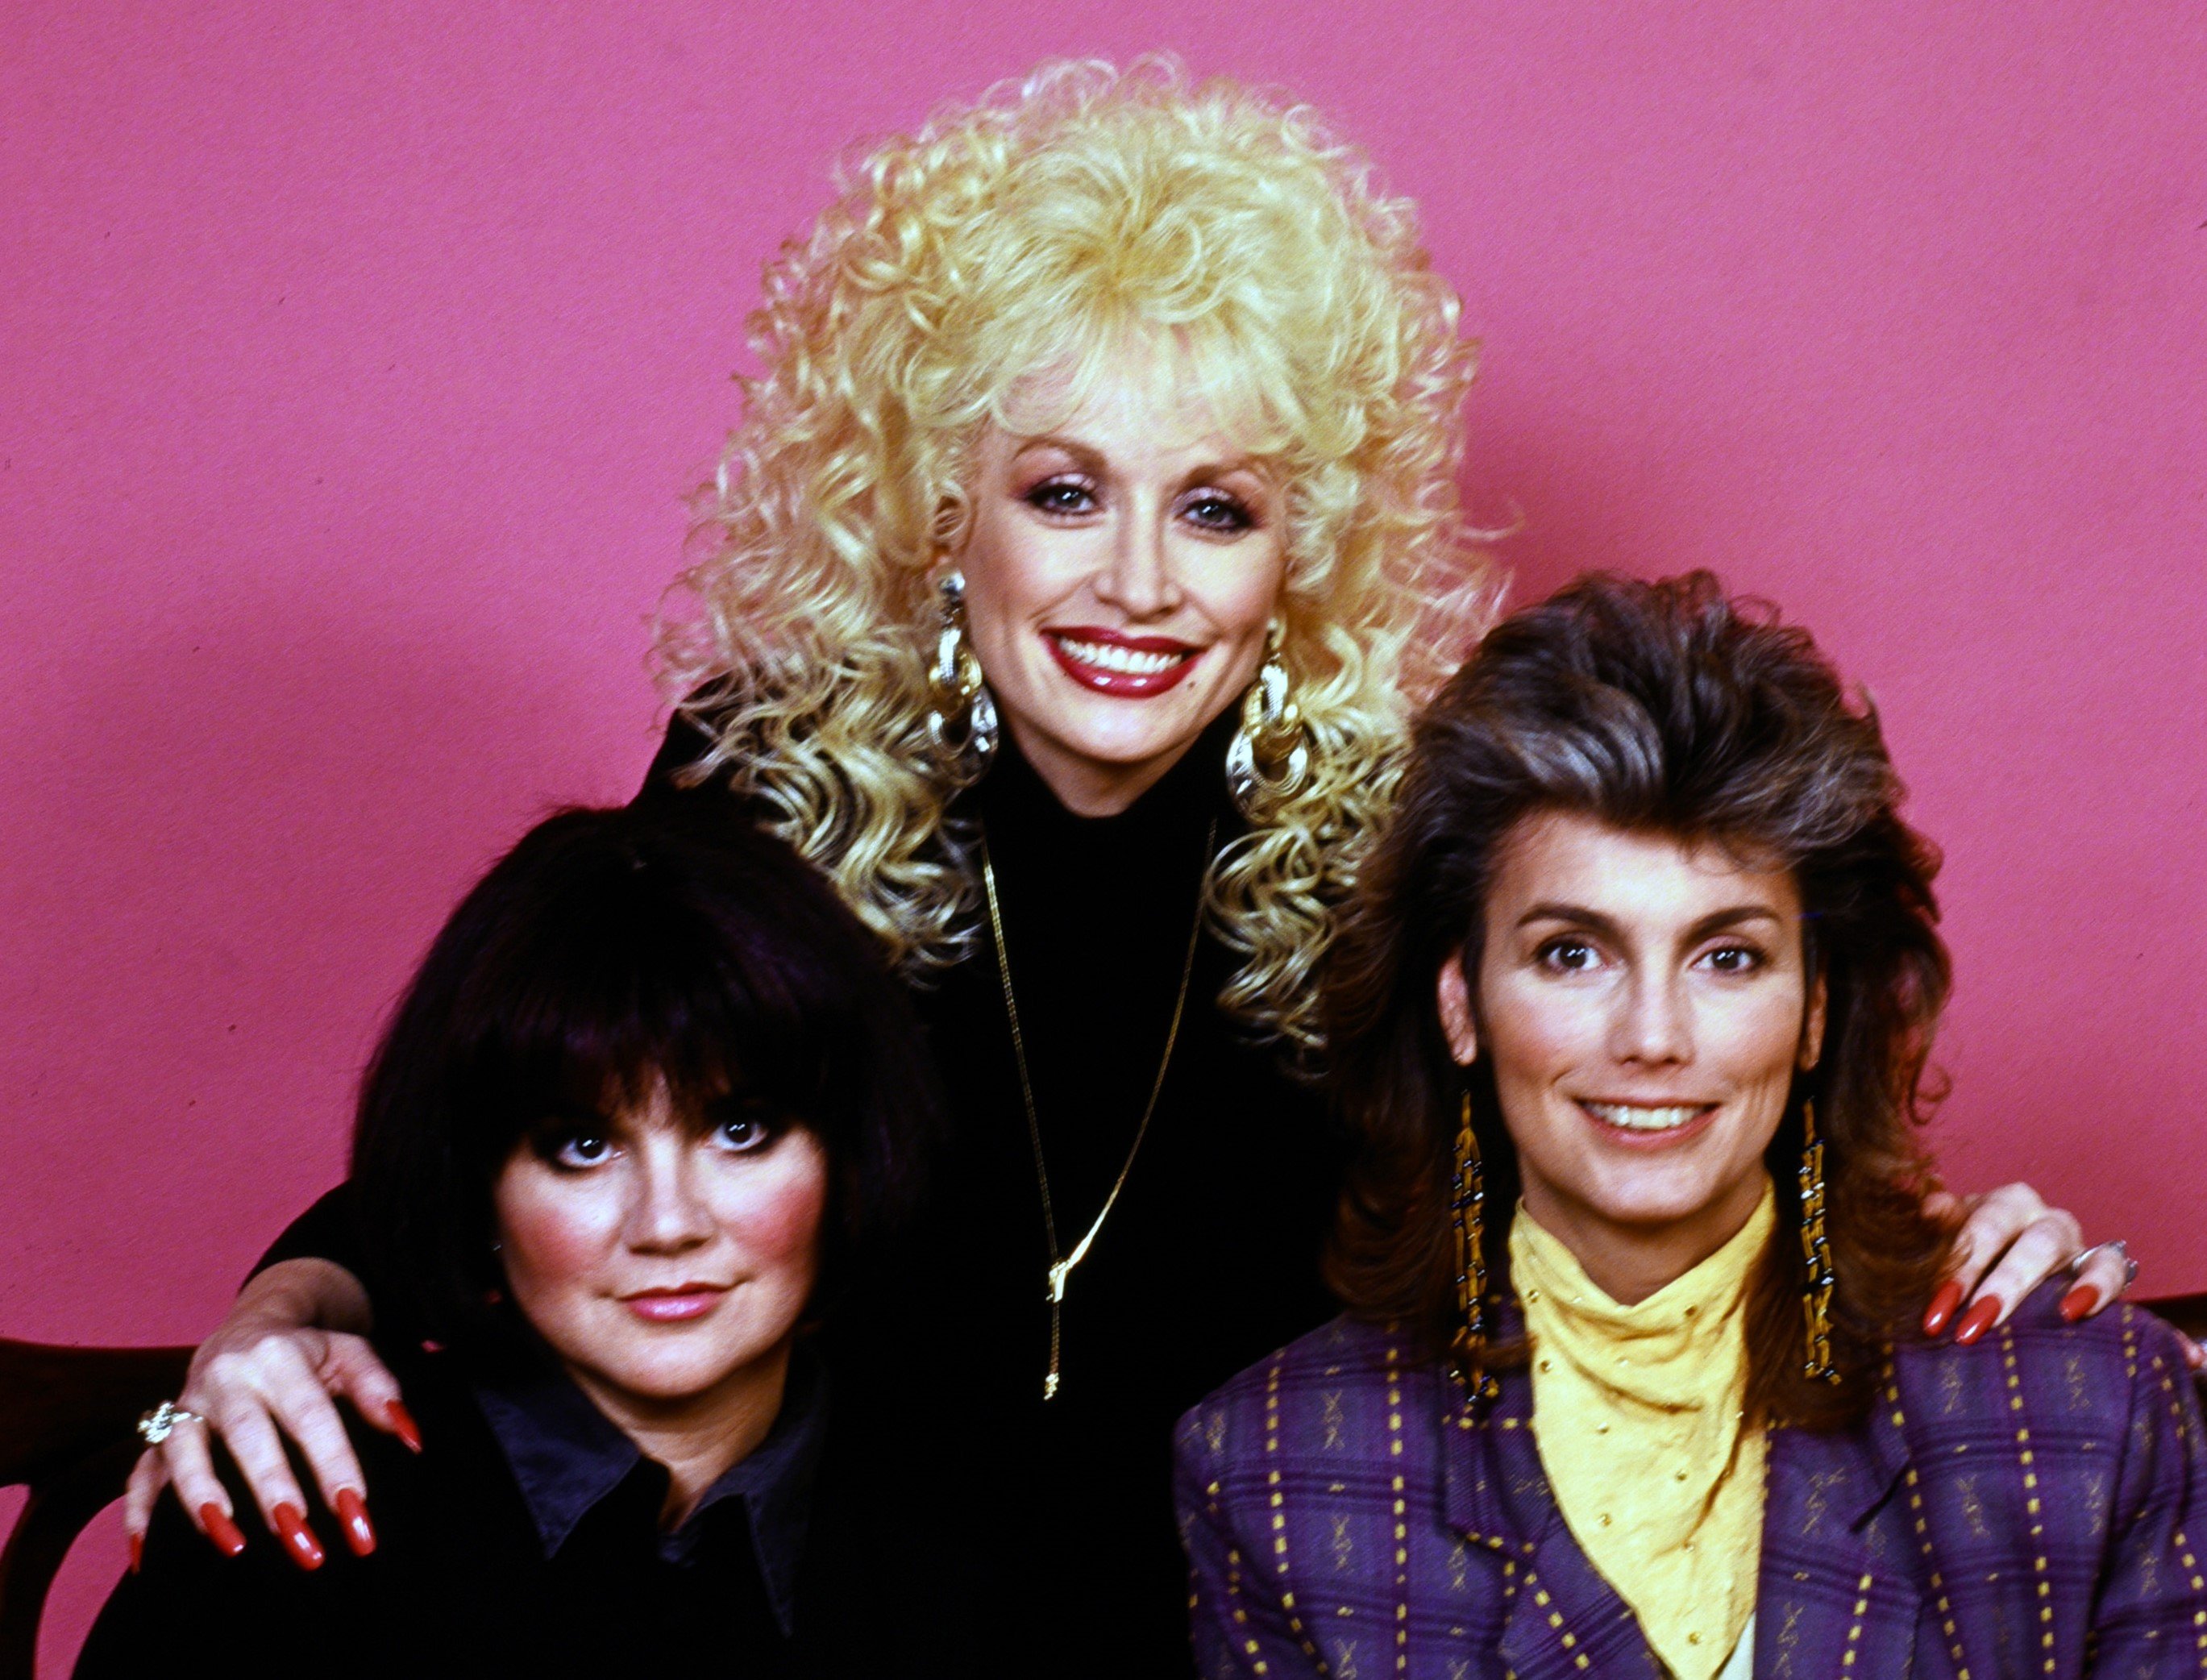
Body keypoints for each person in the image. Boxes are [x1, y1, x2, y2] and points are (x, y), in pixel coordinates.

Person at [127, 62, 2127, 1671]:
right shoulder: (766, 784)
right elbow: (550, 1121)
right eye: (1064, 492)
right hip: (852, 1618)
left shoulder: (1391, 838)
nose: (1142, 587)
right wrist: (278, 1312)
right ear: (942, 511)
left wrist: (1935, 1241)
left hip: (1288, 1611)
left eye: (1222, 508)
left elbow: (1635, 1118)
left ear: (1304, 551)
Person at [1176, 572, 2205, 1679]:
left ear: (1812, 1011)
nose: (1653, 1035)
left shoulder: (2085, 1413)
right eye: (1570, 952)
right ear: (1459, 1005)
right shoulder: (1278, 1473)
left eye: (1727, 957)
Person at [80, 804, 967, 1676]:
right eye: (582, 1145)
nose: (667, 1223)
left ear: (845, 1158)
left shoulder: (946, 1551)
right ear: (481, 1185)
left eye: (740, 1129)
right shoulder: (295, 1503)